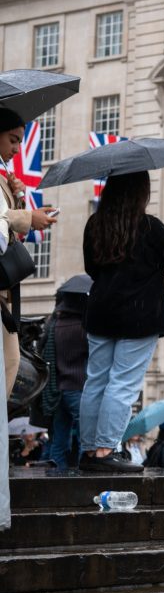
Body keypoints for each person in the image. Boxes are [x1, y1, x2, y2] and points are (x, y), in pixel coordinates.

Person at [79, 171, 164, 473]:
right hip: (139, 316)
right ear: (140, 193)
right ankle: (106, 450)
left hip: (101, 312)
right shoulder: (149, 227)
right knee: (122, 385)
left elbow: (92, 268)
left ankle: (89, 450)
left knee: (96, 382)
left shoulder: (95, 224)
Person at [0, 109, 58, 398]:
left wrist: (21, 200)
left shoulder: (5, 177)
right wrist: (26, 217)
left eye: (20, 142)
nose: (16, 149)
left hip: (5, 291)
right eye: (12, 140)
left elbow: (10, 230)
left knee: (11, 363)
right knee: (9, 363)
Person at [40, 281, 89, 469]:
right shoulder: (83, 327)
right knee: (86, 436)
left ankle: (56, 479)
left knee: (59, 440)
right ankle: (86, 476)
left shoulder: (53, 325)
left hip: (57, 390)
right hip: (77, 387)